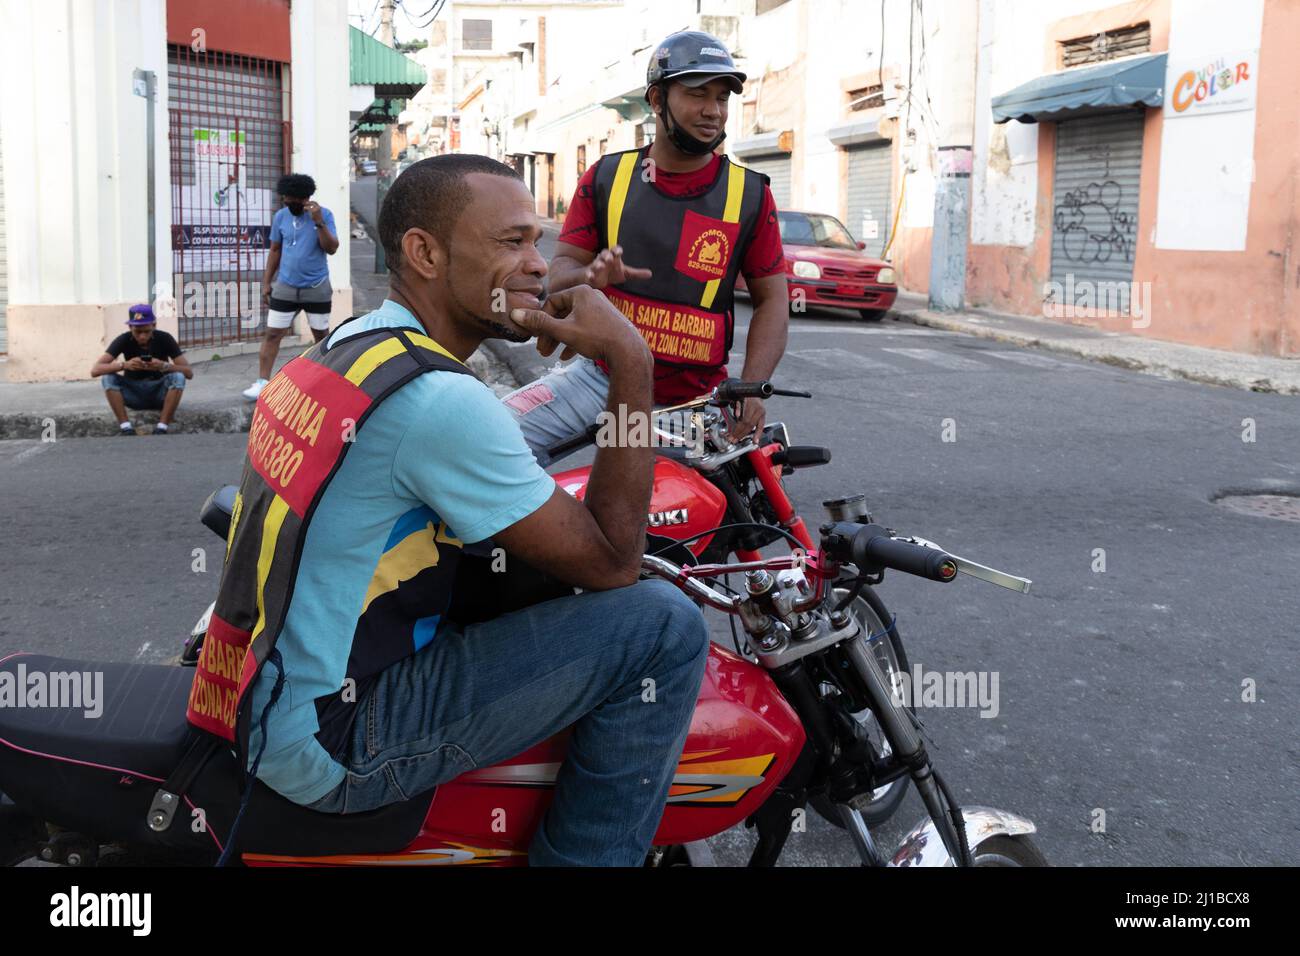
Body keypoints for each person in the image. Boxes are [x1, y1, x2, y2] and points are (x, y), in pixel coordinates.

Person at [194, 155, 709, 866]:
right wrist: (629, 359)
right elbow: (615, 563)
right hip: (329, 739)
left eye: (538, 241)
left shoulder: (356, 343)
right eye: (511, 243)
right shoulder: (439, 401)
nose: (538, 265)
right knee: (663, 626)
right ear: (425, 252)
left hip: (258, 696)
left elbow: (480, 439)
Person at [502, 30, 789, 466]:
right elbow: (560, 272)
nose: (713, 111)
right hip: (598, 379)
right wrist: (588, 277)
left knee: (681, 520)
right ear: (657, 100)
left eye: (722, 98)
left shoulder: (749, 195)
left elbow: (773, 300)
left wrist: (752, 386)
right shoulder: (606, 178)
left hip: (695, 404)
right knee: (495, 440)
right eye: (697, 94)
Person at [242, 173, 339, 400]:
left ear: (307, 197)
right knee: (273, 334)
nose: (292, 203)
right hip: (285, 286)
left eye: (297, 199)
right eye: (288, 199)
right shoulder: (281, 217)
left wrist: (318, 222)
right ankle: (262, 383)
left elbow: (332, 248)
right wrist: (267, 282)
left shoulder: (324, 214)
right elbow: (275, 249)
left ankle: (325, 382)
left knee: (321, 336)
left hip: (316, 286)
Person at [90, 304, 193, 435]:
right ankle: (126, 427)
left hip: (159, 393)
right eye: (137, 332)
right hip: (134, 394)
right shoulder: (123, 339)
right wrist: (123, 365)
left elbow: (188, 373)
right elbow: (95, 370)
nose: (142, 336)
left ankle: (162, 427)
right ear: (130, 328)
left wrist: (164, 366)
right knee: (108, 378)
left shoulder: (165, 338)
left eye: (146, 331)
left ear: (154, 326)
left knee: (178, 377)